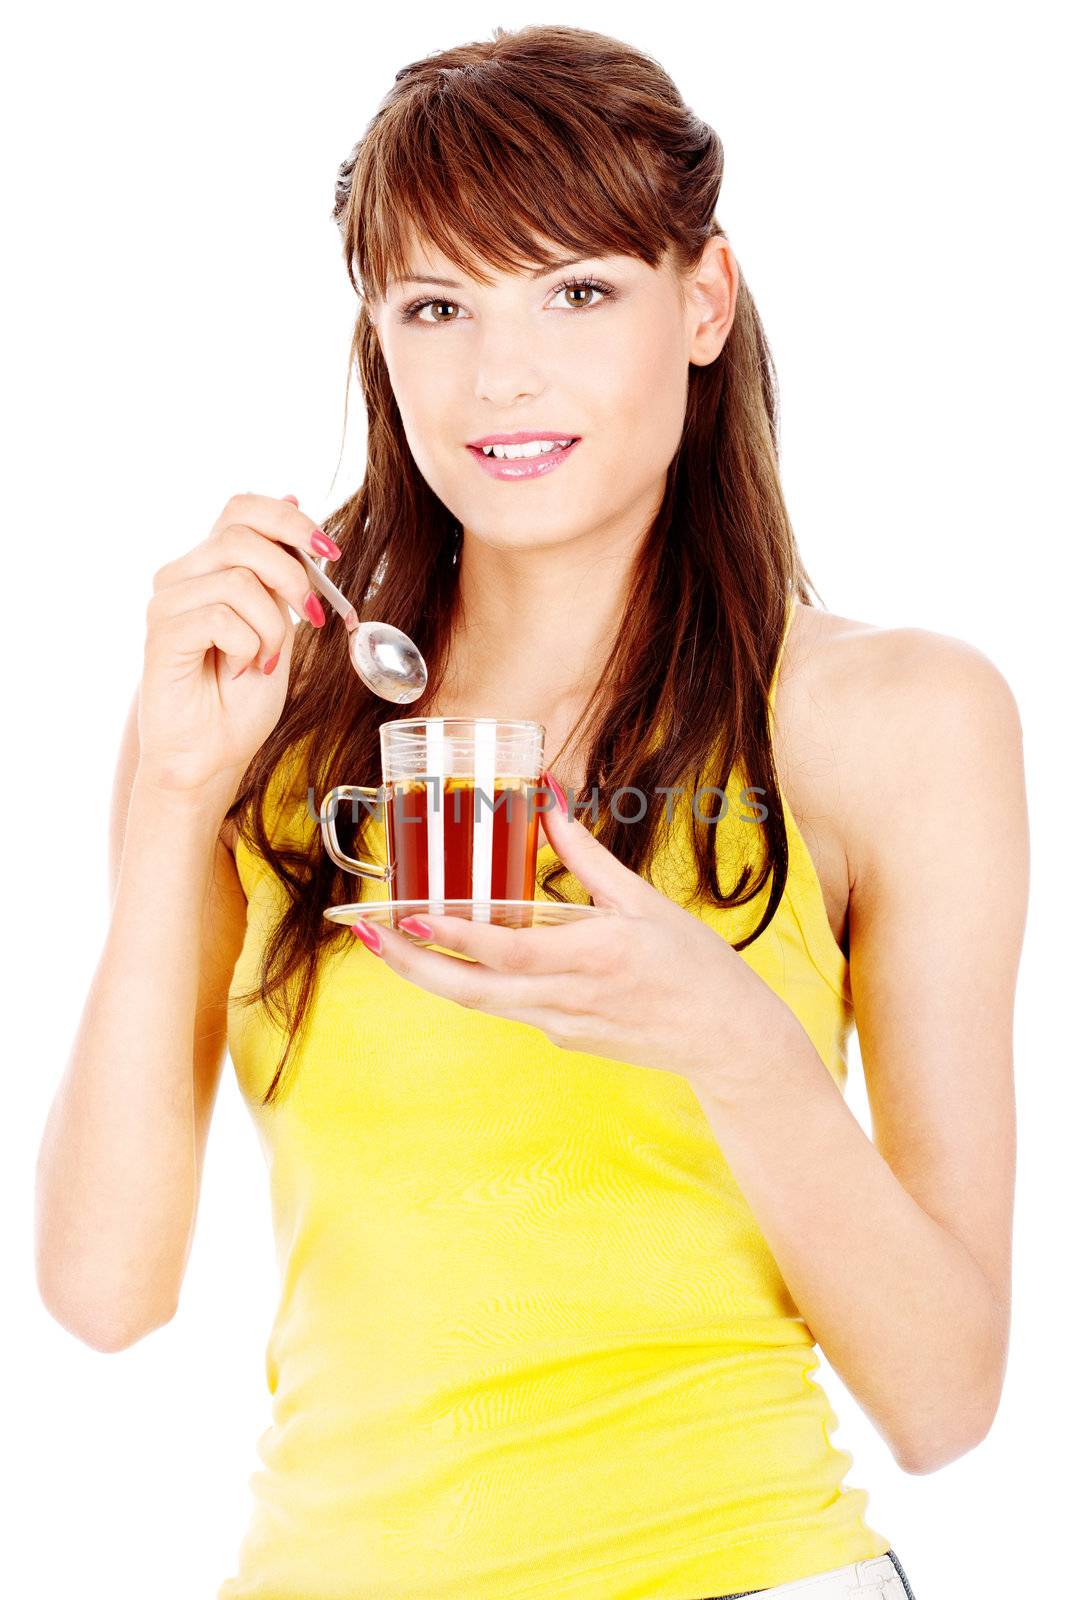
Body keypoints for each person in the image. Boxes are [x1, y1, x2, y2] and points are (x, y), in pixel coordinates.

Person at [35, 23, 1025, 1600]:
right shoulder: (264, 709)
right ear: (378, 339)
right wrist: (170, 792)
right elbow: (103, 1293)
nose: (502, 373)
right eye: (437, 305)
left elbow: (948, 1398)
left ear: (701, 302)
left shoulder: (893, 720)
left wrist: (726, 1031)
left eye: (577, 289)